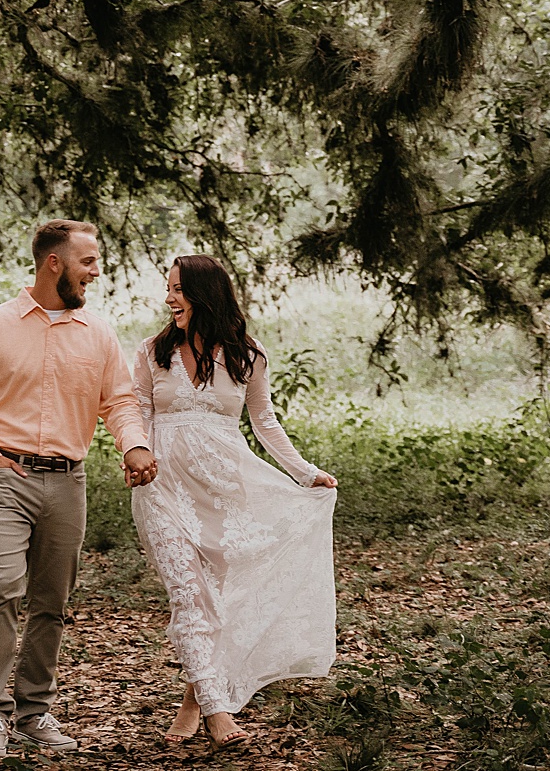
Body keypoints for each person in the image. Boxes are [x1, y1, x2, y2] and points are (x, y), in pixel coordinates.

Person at [0, 219, 159, 758]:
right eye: (88, 261)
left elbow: (119, 401)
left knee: (51, 602)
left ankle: (34, 711)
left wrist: (133, 445)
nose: (97, 270)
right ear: (54, 264)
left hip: (68, 481)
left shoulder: (99, 333)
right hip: (2, 478)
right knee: (0, 585)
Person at [130, 254, 339, 749]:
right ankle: (218, 710)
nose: (168, 298)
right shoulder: (151, 352)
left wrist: (306, 474)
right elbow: (134, 412)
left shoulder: (247, 354)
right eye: (168, 289)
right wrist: (132, 454)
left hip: (227, 490)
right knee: (187, 593)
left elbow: (264, 422)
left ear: (205, 293)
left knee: (217, 601)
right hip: (163, 489)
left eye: (177, 289)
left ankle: (193, 698)